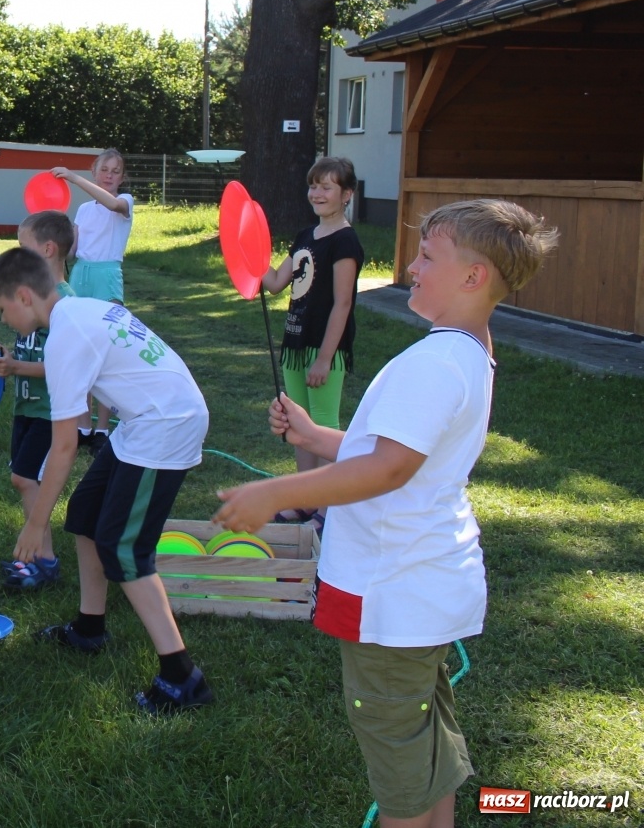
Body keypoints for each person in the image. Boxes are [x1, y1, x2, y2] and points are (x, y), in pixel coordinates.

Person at [214, 199, 557, 828]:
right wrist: (318, 437)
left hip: (389, 592)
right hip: (421, 586)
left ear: (472, 278)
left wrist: (277, 494)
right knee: (424, 747)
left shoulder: (432, 364)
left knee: (397, 761)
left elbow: (389, 470)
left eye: (428, 256)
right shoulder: (466, 350)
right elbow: (396, 452)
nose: (411, 265)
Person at [0, 247, 214, 714]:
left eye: (2, 308)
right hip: (143, 420)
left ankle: (182, 676)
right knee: (86, 515)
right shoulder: (78, 311)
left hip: (166, 424)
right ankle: (90, 628)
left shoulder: (66, 337)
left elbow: (64, 446)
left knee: (123, 548)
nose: (3, 318)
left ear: (24, 296)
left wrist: (34, 524)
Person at [259, 157, 365, 529]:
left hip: (324, 350)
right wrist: (247, 252)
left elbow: (343, 302)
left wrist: (324, 358)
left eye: (327, 187)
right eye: (314, 186)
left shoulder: (345, 241)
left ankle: (328, 507)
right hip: (294, 344)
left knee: (321, 423)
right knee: (295, 425)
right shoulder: (306, 236)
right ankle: (305, 499)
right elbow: (274, 283)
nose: (317, 193)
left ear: (346, 194)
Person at [0, 209, 76, 589]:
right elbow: (37, 354)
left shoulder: (64, 305)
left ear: (49, 250)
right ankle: (38, 553)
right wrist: (13, 359)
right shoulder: (31, 303)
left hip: (50, 412)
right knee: (22, 479)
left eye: (25, 248)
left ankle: (44, 558)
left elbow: (65, 368)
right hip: (27, 407)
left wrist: (18, 369)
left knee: (24, 479)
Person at [51, 148, 133, 450]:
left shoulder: (125, 202)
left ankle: (102, 429)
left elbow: (111, 204)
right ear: (95, 172)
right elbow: (71, 251)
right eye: (104, 170)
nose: (109, 176)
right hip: (80, 276)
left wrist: (72, 178)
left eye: (115, 171)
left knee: (106, 352)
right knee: (80, 351)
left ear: (122, 177)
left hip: (107, 276)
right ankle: (83, 427)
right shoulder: (84, 211)